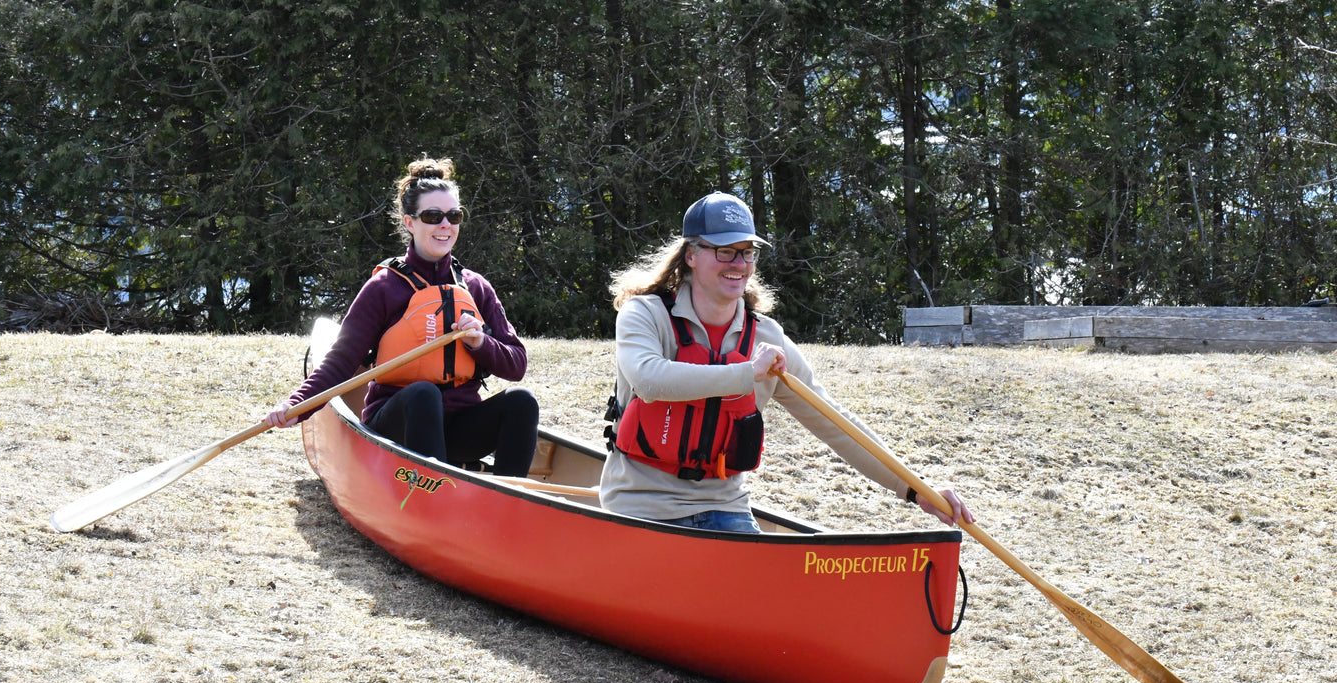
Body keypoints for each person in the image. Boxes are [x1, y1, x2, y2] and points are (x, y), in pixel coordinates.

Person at [599, 190, 973, 534]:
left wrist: (914, 488)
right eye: (725, 251)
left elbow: (832, 421)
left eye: (747, 252)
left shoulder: (766, 337)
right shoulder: (644, 315)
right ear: (691, 255)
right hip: (639, 505)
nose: (739, 264)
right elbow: (649, 380)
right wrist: (747, 374)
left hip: (724, 509)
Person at [266, 157, 539, 477]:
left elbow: (516, 364)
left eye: (454, 216)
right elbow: (340, 363)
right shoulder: (384, 288)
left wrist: (481, 343)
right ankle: (432, 497)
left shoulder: (475, 287)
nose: (445, 225)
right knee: (424, 394)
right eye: (433, 216)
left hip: (459, 427)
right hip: (399, 424)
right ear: (410, 222)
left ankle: (507, 503)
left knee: (522, 401)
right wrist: (296, 405)